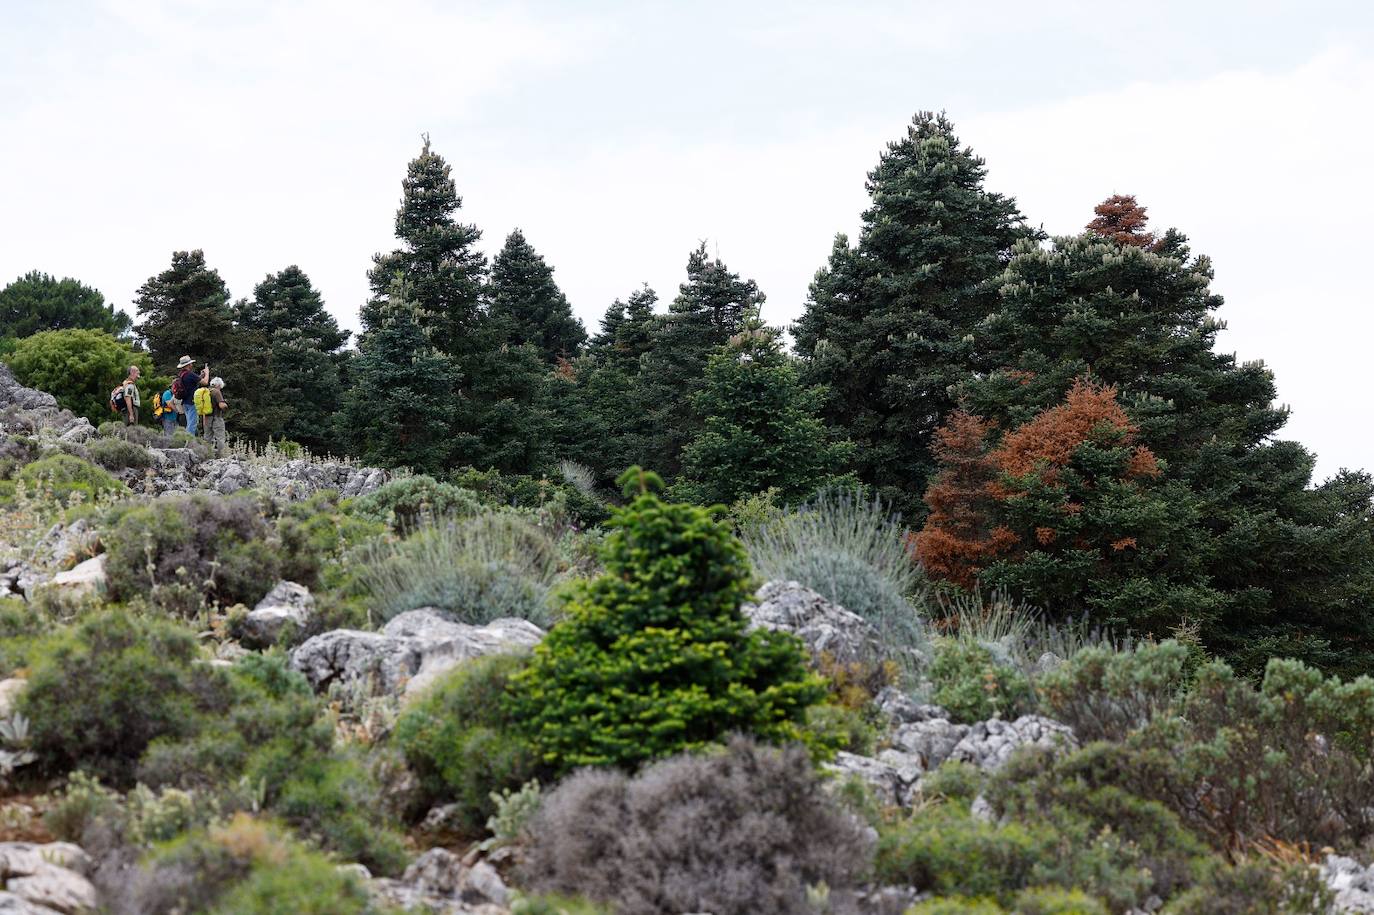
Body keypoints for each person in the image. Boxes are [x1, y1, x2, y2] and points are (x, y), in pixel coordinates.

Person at [175, 355, 209, 437]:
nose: (192, 365)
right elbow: (205, 382)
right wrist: (207, 373)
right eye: (190, 363)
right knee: (192, 424)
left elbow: (193, 382)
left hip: (185, 402)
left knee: (189, 422)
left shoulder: (182, 374)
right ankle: (189, 443)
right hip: (192, 402)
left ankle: (188, 441)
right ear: (188, 365)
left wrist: (200, 376)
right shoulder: (190, 374)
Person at [205, 376, 229, 457]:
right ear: (219, 385)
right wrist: (226, 405)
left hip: (206, 418)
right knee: (220, 437)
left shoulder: (206, 391)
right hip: (216, 417)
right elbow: (221, 405)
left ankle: (206, 454)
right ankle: (221, 456)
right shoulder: (216, 392)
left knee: (207, 437)